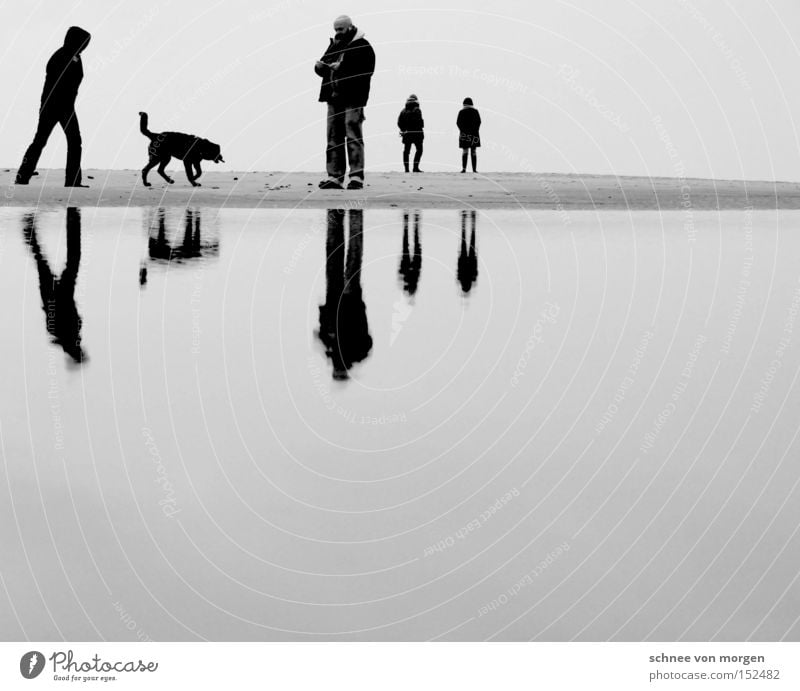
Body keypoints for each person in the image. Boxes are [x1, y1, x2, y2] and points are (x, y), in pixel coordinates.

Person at [16, 26, 92, 187]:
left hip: (66, 107)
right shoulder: (61, 56)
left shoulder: (75, 57)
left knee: (72, 141)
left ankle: (72, 181)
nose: (85, 46)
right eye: (84, 42)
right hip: (54, 106)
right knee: (42, 141)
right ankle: (22, 177)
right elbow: (58, 82)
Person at [314, 15, 375, 190]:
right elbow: (324, 65)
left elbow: (367, 71)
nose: (337, 32)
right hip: (333, 97)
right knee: (333, 137)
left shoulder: (363, 46)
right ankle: (334, 177)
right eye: (335, 30)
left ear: (350, 27)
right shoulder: (334, 45)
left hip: (353, 97)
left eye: (340, 29)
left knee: (353, 134)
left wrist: (342, 68)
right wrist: (320, 68)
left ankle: (356, 177)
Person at [397, 94, 424, 173]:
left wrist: (403, 129)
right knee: (419, 150)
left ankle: (406, 169)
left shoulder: (403, 111)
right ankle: (415, 168)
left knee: (406, 151)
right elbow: (418, 121)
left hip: (406, 133)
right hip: (417, 133)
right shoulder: (417, 109)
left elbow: (399, 122)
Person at [457, 97, 481, 174]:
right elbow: (479, 122)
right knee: (473, 151)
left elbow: (458, 123)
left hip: (464, 134)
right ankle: (474, 169)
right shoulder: (475, 111)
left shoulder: (461, 112)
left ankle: (464, 169)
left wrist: (462, 130)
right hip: (474, 134)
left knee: (465, 151)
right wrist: (475, 130)